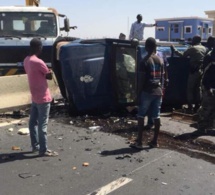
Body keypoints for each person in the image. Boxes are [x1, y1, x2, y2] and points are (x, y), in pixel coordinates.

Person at [24, 38, 58, 157]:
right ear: (38, 47)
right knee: (42, 125)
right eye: (41, 47)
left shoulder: (26, 60)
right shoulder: (38, 61)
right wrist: (50, 71)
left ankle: (35, 146)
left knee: (32, 122)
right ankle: (43, 150)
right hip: (43, 97)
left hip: (34, 97)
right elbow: (48, 76)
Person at [130, 37, 164, 149]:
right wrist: (162, 90)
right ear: (155, 47)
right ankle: (155, 141)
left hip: (147, 91)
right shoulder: (160, 60)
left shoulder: (144, 61)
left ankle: (139, 142)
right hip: (158, 91)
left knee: (141, 116)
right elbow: (162, 78)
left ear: (146, 47)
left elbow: (141, 80)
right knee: (156, 116)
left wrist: (137, 94)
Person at [171, 35, 207, 113]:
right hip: (201, 71)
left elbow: (183, 55)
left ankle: (190, 106)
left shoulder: (193, 48)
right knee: (198, 89)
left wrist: (174, 50)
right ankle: (198, 105)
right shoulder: (204, 48)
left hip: (193, 71)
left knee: (190, 89)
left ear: (195, 40)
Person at [198, 38, 215, 133]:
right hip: (208, 86)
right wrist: (207, 87)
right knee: (206, 108)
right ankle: (201, 127)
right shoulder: (209, 57)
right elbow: (205, 73)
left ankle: (210, 127)